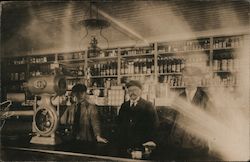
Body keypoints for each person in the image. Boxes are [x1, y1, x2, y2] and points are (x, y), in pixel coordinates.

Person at [117, 80, 159, 151]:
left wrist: (151, 140)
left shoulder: (148, 105)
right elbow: (119, 124)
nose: (132, 93)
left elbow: (155, 125)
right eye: (130, 90)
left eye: (135, 90)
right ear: (127, 92)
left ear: (140, 91)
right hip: (126, 143)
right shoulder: (124, 106)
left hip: (143, 143)